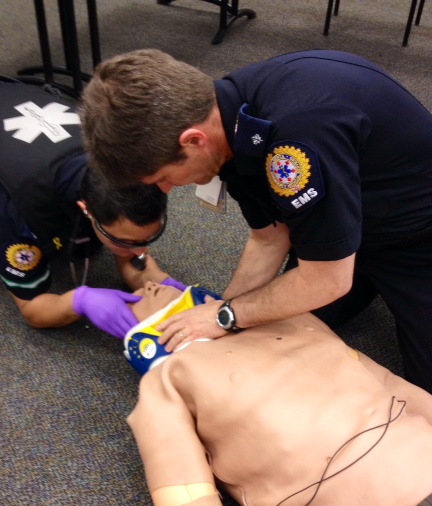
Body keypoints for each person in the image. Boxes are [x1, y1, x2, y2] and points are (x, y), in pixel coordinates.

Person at [81, 49, 432, 393]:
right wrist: (222, 313)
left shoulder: (296, 137)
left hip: (417, 234)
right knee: (271, 338)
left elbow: (327, 280)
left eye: (163, 177)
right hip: (351, 221)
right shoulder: (226, 120)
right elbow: (269, 237)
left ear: (193, 141)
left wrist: (226, 316)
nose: (167, 189)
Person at [116, 280, 432, 506]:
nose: (152, 284)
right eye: (135, 296)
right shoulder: (166, 383)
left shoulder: (294, 319)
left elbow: (395, 388)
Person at [0, 74, 170, 338]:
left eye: (146, 240)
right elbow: (33, 310)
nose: (140, 251)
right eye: (127, 242)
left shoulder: (124, 167)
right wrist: (80, 302)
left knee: (88, 241)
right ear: (86, 209)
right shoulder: (18, 202)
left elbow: (131, 245)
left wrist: (161, 282)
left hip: (17, 96)